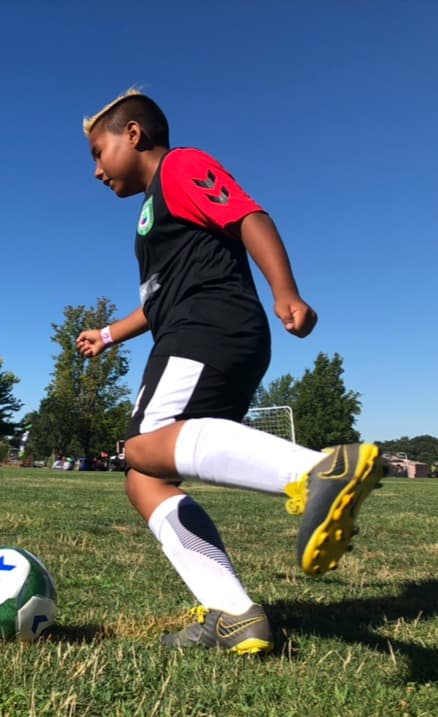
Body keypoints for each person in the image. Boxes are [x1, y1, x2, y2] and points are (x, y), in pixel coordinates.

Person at [75, 88, 385, 654]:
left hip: (210, 328)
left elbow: (248, 214)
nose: (96, 169)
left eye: (100, 151)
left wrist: (284, 290)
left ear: (134, 135)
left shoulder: (182, 166)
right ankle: (234, 613)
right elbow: (160, 298)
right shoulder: (150, 213)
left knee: (142, 445)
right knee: (145, 476)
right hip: (198, 329)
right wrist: (111, 333)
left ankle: (318, 472)